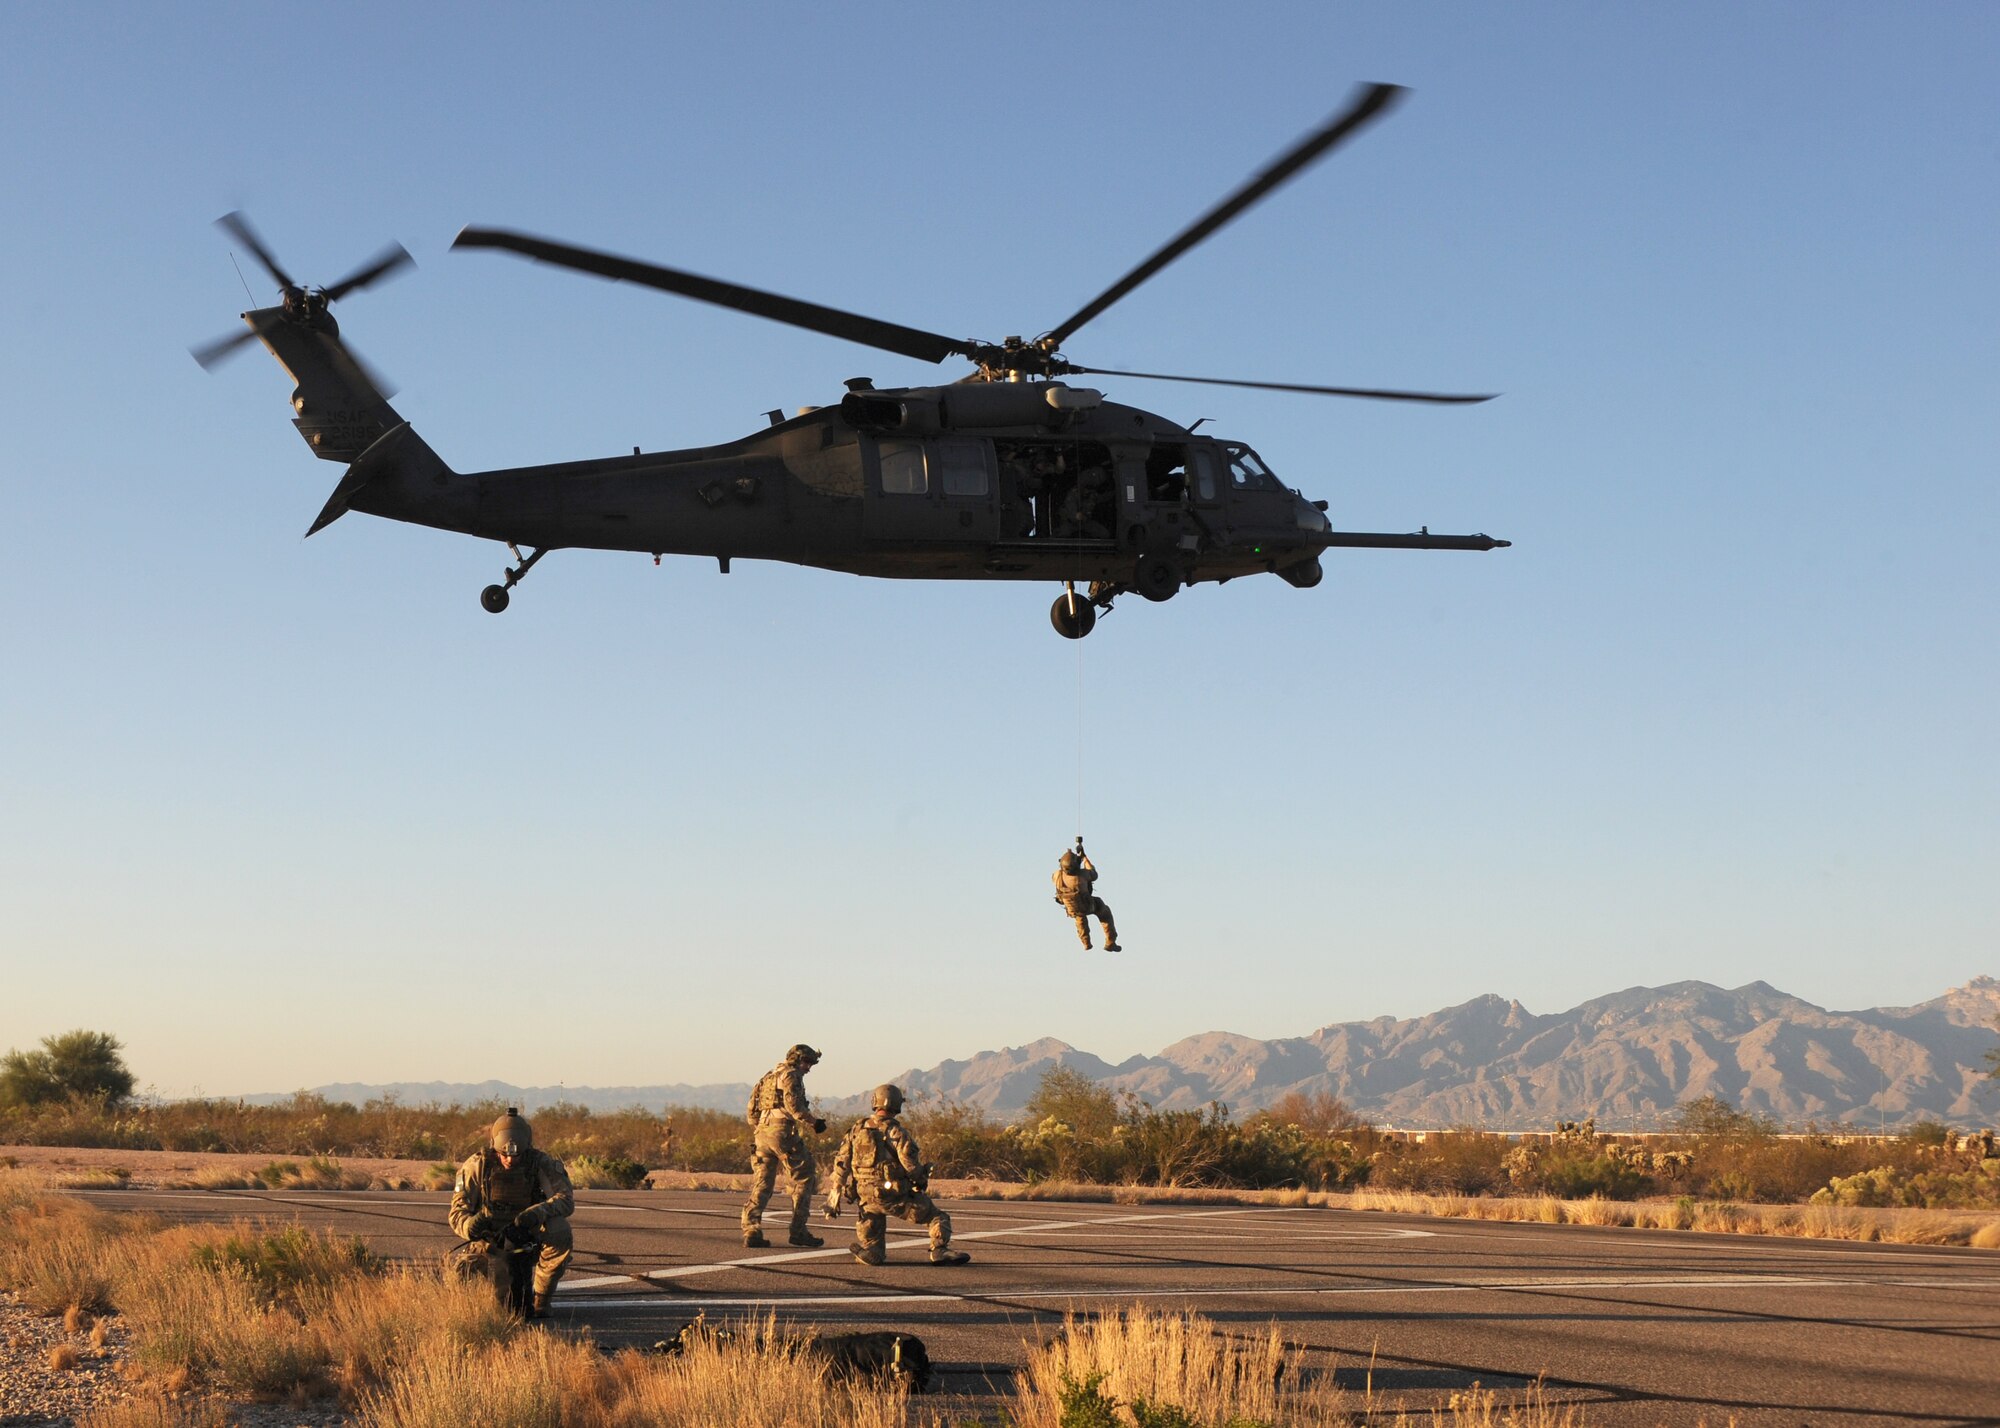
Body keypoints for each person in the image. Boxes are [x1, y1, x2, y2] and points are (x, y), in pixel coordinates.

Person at [446, 1107, 575, 1319]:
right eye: (504, 1154)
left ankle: (541, 1299)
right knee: (459, 1289)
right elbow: (457, 1213)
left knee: (560, 1230)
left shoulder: (541, 1163)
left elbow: (565, 1200)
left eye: (516, 1155)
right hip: (488, 1242)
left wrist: (538, 1212)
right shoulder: (477, 1165)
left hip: (528, 1237)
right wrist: (471, 1226)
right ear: (494, 1148)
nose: (510, 1160)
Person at [825, 1084, 969, 1266]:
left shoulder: (856, 1129)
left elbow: (841, 1161)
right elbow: (911, 1165)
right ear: (896, 1105)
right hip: (892, 1194)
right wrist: (921, 1179)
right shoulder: (896, 1132)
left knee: (873, 1231)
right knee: (936, 1217)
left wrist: (835, 1192)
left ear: (875, 1102)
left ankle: (872, 1251)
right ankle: (939, 1250)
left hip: (864, 1196)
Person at [742, 1043, 827, 1248]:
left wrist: (763, 1128)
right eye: (807, 1063)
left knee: (763, 1183)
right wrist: (814, 1122)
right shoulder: (791, 1075)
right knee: (805, 1176)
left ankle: (751, 1229)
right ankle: (798, 1231)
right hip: (782, 1133)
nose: (808, 1068)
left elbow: (751, 1111)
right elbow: (795, 1107)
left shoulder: (768, 1076)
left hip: (761, 1134)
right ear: (797, 1060)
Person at [1054, 838, 1120, 951]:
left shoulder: (1056, 876)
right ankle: (1110, 941)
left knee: (1080, 918)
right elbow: (1094, 874)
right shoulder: (1082, 875)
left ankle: (1086, 943)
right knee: (1105, 912)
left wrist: (1076, 860)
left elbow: (1068, 870)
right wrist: (1084, 858)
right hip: (1088, 906)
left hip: (1072, 909)